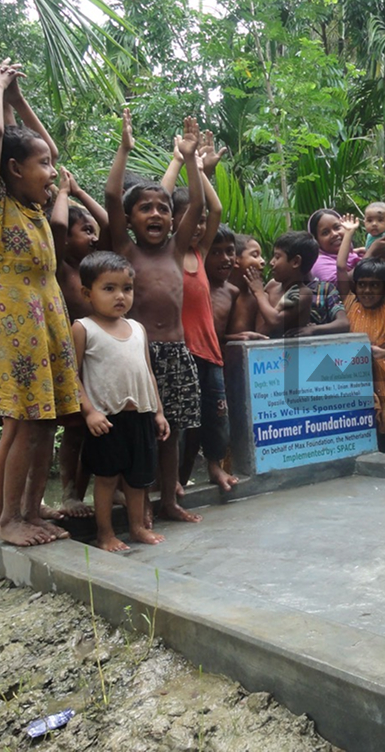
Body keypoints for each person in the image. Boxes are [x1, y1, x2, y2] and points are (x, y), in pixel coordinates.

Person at [0, 59, 79, 547]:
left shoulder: (33, 206)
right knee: (22, 425)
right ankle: (6, 518)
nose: (52, 170)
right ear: (14, 170)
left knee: (45, 422)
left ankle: (29, 510)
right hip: (18, 326)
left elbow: (45, 145)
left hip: (47, 322)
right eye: (42, 167)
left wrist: (17, 99)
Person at [105, 108, 205, 522]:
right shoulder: (126, 252)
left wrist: (190, 160)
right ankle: (139, 503)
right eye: (145, 209)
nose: (156, 215)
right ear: (130, 220)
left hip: (177, 353)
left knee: (173, 432)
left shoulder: (176, 249)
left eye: (163, 208)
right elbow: (112, 196)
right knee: (142, 431)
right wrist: (123, 149)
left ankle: (168, 499)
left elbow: (196, 202)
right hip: (139, 359)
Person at [72, 251, 170, 552]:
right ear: (87, 293)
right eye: (109, 288)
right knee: (106, 479)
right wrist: (89, 412)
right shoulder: (84, 328)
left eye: (126, 289)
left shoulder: (138, 329)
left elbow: (148, 374)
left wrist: (159, 412)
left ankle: (137, 527)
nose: (120, 296)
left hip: (140, 415)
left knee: (138, 479)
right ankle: (105, 534)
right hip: (107, 419)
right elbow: (70, 377)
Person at [161, 132, 240, 494]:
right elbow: (171, 200)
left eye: (201, 220)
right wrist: (183, 161)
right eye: (193, 219)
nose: (200, 224)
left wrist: (202, 168)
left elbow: (217, 209)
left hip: (210, 350)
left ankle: (212, 467)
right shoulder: (172, 254)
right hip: (183, 349)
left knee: (215, 416)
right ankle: (173, 480)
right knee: (182, 422)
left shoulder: (201, 253)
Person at [50, 169, 110, 519]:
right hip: (72, 357)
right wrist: (61, 194)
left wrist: (80, 191)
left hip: (100, 358)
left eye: (91, 232)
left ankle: (93, 490)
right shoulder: (59, 268)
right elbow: (56, 228)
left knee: (97, 429)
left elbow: (107, 224)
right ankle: (70, 494)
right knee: (73, 430)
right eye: (84, 231)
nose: (92, 236)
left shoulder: (94, 269)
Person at [336, 215, 385, 453]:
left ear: (384, 288)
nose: (367, 290)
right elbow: (341, 267)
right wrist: (348, 234)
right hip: (354, 380)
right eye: (363, 284)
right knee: (358, 436)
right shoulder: (351, 303)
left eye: (374, 285)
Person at [246, 231, 317, 338]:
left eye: (277, 257)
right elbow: (261, 330)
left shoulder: (303, 293)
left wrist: (259, 292)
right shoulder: (272, 285)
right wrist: (277, 307)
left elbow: (274, 323)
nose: (271, 262)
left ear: (295, 262)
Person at [226, 235, 268, 341]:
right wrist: (234, 338)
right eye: (255, 255)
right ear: (236, 260)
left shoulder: (260, 297)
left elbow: (264, 335)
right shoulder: (222, 293)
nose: (263, 261)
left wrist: (260, 295)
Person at [309, 208, 360, 283]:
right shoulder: (319, 264)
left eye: (337, 227)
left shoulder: (355, 254)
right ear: (317, 241)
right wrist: (371, 254)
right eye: (325, 233)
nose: (334, 234)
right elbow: (340, 285)